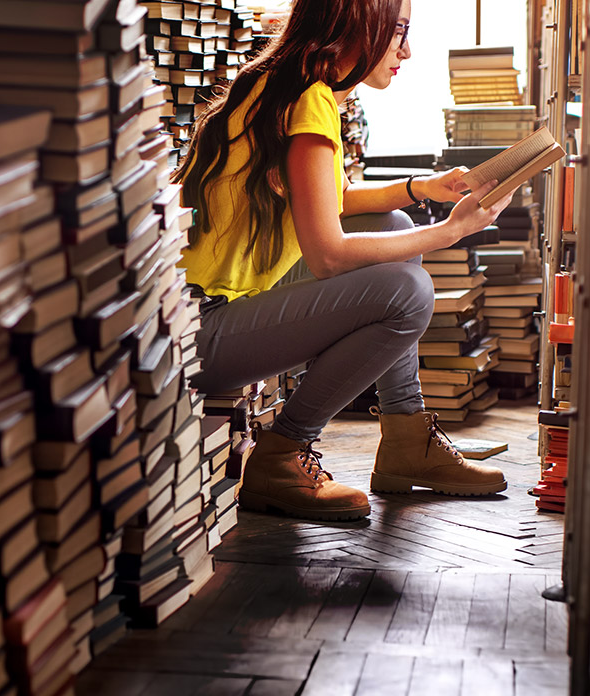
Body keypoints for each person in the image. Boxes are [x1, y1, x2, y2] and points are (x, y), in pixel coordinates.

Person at [176, 0, 514, 521]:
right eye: (398, 31)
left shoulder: (276, 83)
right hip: (197, 336)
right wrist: (449, 232)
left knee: (395, 226)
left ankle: (407, 441)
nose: (406, 50)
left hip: (194, 312)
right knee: (408, 292)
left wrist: (420, 189)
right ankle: (282, 454)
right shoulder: (310, 102)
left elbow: (327, 198)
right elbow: (329, 255)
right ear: (356, 25)